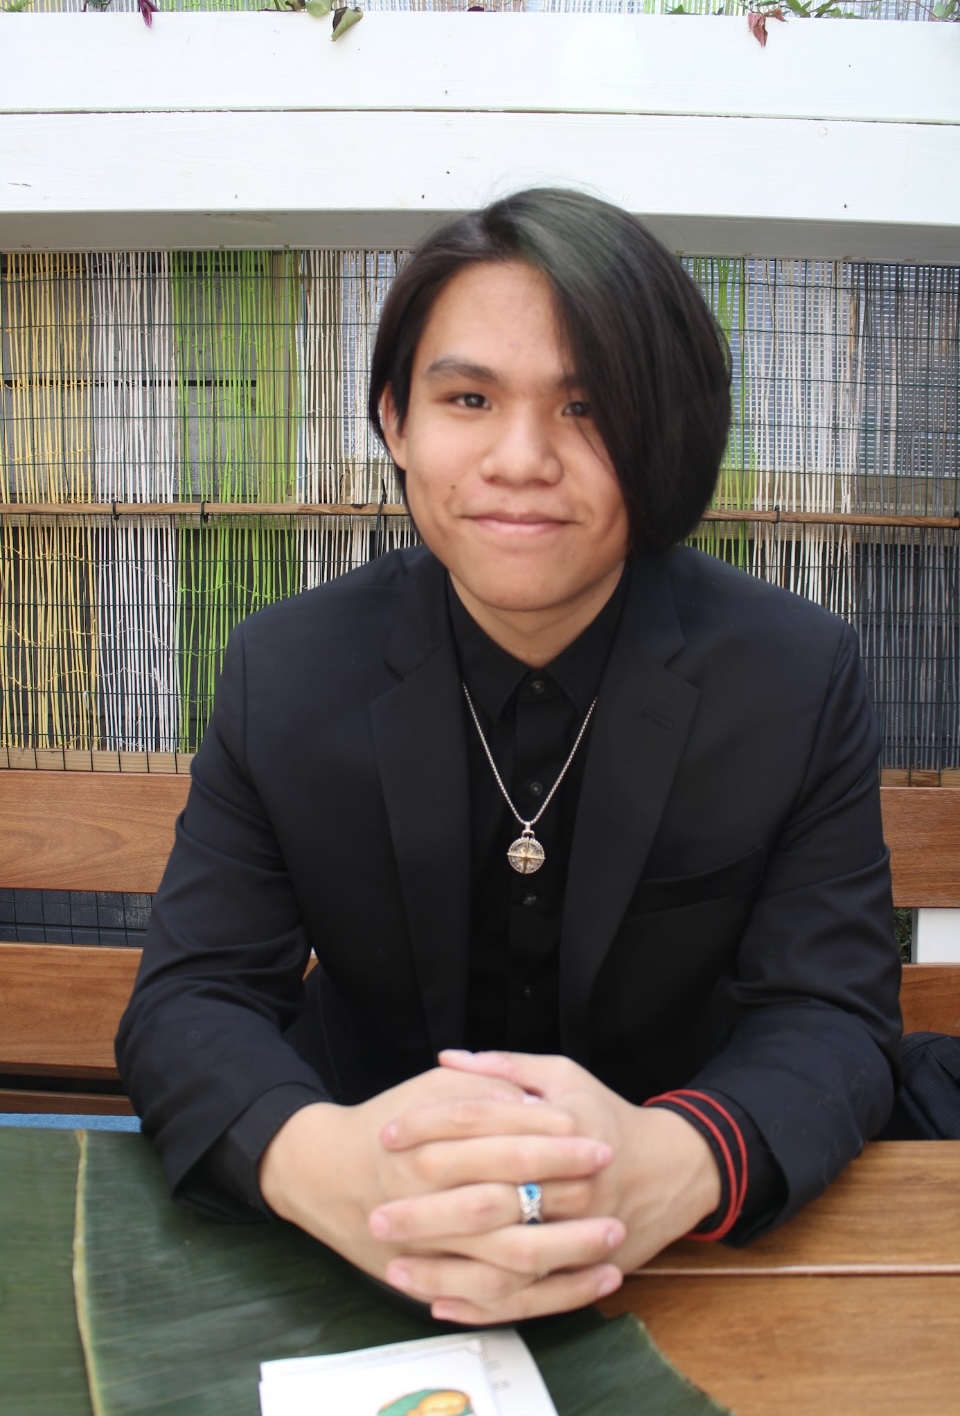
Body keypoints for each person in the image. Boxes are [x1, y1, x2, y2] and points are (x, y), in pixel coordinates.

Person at [116, 187, 901, 1328]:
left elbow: (831, 1012)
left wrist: (679, 1162)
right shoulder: (285, 669)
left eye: (588, 407)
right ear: (395, 420)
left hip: (685, 1252)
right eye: (470, 398)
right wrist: (324, 1164)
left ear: (665, 432)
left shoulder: (795, 674)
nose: (522, 459)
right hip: (363, 1238)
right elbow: (193, 997)